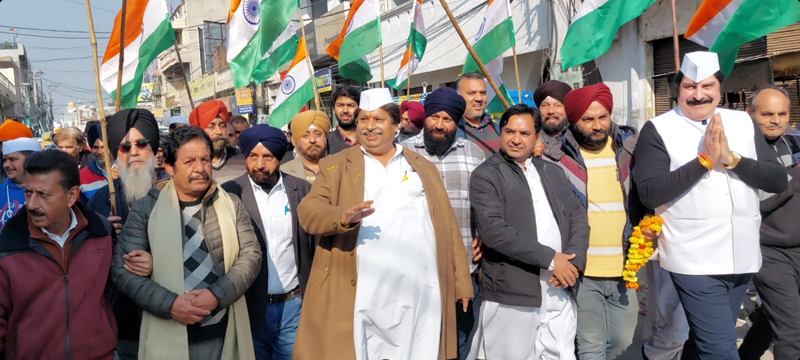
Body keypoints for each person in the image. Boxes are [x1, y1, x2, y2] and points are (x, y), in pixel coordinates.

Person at [294, 88, 473, 360]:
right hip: (362, 293)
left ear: (395, 123)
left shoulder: (421, 167)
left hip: (420, 293)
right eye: (363, 120)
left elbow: (447, 227)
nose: (369, 127)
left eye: (377, 120)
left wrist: (460, 283)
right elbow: (308, 212)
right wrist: (340, 217)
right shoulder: (335, 166)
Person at [633, 51, 787, 359]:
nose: (699, 95)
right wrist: (703, 161)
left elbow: (775, 178)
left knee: (705, 343)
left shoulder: (741, 121)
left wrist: (731, 159)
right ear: (677, 90)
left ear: (719, 88)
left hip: (741, 256)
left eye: (707, 86)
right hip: (694, 259)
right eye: (690, 87)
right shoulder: (658, 128)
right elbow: (649, 192)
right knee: (721, 351)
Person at [111, 126, 261, 359]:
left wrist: (216, 296)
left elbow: (251, 256)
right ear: (170, 167)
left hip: (221, 334)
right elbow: (122, 270)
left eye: (205, 159)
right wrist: (170, 304)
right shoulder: (146, 208)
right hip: (166, 330)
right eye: (190, 161)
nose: (200, 168)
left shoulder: (231, 204)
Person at [468, 104, 589, 359]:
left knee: (559, 353)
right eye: (509, 131)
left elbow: (578, 216)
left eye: (524, 134)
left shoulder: (552, 172)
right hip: (514, 289)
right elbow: (494, 232)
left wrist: (574, 261)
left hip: (559, 285)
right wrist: (551, 259)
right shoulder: (486, 175)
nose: (515, 139)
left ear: (537, 137)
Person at [539, 83, 642, 359]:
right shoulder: (556, 159)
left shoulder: (631, 152)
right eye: (588, 119)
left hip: (624, 269)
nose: (597, 125)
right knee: (591, 346)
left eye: (603, 117)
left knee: (623, 341)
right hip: (583, 270)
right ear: (573, 121)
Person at [0, 150, 116, 359]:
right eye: (28, 193)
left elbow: (114, 293)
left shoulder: (101, 233)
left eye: (43, 195)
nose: (32, 205)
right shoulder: (8, 247)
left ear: (71, 195)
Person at [400, 87, 485, 359]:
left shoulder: (475, 154)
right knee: (419, 340)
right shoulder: (402, 154)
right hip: (416, 267)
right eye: (434, 117)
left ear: (456, 121)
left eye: (447, 119)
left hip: (464, 267)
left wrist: (484, 234)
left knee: (460, 341)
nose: (439, 125)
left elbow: (484, 205)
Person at [221, 125, 316, 359]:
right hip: (250, 307)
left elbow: (313, 245)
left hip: (294, 306)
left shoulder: (301, 189)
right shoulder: (229, 193)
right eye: (253, 156)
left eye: (268, 156)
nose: (260, 165)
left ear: (279, 157)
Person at [86, 108, 170, 360]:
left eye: (141, 144)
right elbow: (86, 268)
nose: (133, 152)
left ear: (154, 149)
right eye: (124, 147)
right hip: (122, 323)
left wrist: (158, 262)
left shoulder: (176, 192)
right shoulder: (101, 202)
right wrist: (104, 238)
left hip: (172, 316)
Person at [738, 86, 800, 360]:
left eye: (782, 113)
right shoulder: (741, 154)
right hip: (768, 251)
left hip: (798, 246)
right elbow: (751, 204)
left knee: (772, 319)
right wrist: (793, 182)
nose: (776, 119)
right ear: (750, 114)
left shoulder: (794, 144)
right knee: (793, 332)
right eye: (767, 113)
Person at [189, 100, 245, 184]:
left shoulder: (242, 158)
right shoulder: (190, 163)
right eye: (211, 127)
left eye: (222, 126)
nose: (219, 132)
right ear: (198, 131)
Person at [455, 73, 501, 158]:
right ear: (457, 97)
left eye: (482, 93)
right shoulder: (450, 130)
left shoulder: (500, 125)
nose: (479, 98)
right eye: (471, 93)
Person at [0, 138, 40, 230]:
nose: (6, 165)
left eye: (12, 159)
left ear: (30, 160)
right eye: (5, 160)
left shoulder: (48, 190)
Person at [283, 110, 330, 183]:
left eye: (318, 134)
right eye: (305, 135)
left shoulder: (342, 166)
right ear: (295, 141)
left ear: (325, 137)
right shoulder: (284, 172)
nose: (312, 140)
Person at [533, 80, 573, 148]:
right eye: (545, 105)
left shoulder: (577, 141)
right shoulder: (530, 140)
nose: (551, 111)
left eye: (558, 105)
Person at [326, 85, 361, 154]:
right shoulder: (326, 142)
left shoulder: (369, 139)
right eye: (340, 105)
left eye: (350, 105)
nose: (345, 110)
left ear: (359, 109)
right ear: (333, 109)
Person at [79, 123, 109, 201]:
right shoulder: (82, 176)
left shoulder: (124, 171)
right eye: (95, 147)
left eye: (103, 147)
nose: (99, 151)